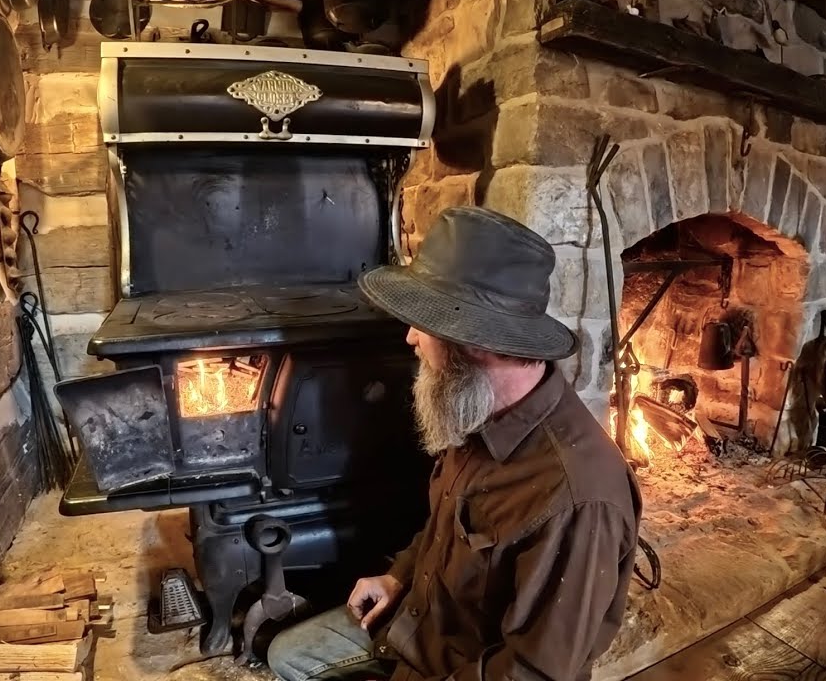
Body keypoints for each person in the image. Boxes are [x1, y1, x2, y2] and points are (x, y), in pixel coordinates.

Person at [267, 206, 643, 681]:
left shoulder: (577, 499)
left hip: (459, 670)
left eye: (422, 324)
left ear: (477, 343)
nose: (410, 338)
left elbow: (533, 673)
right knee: (286, 655)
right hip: (417, 627)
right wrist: (397, 576)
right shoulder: (477, 406)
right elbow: (449, 526)